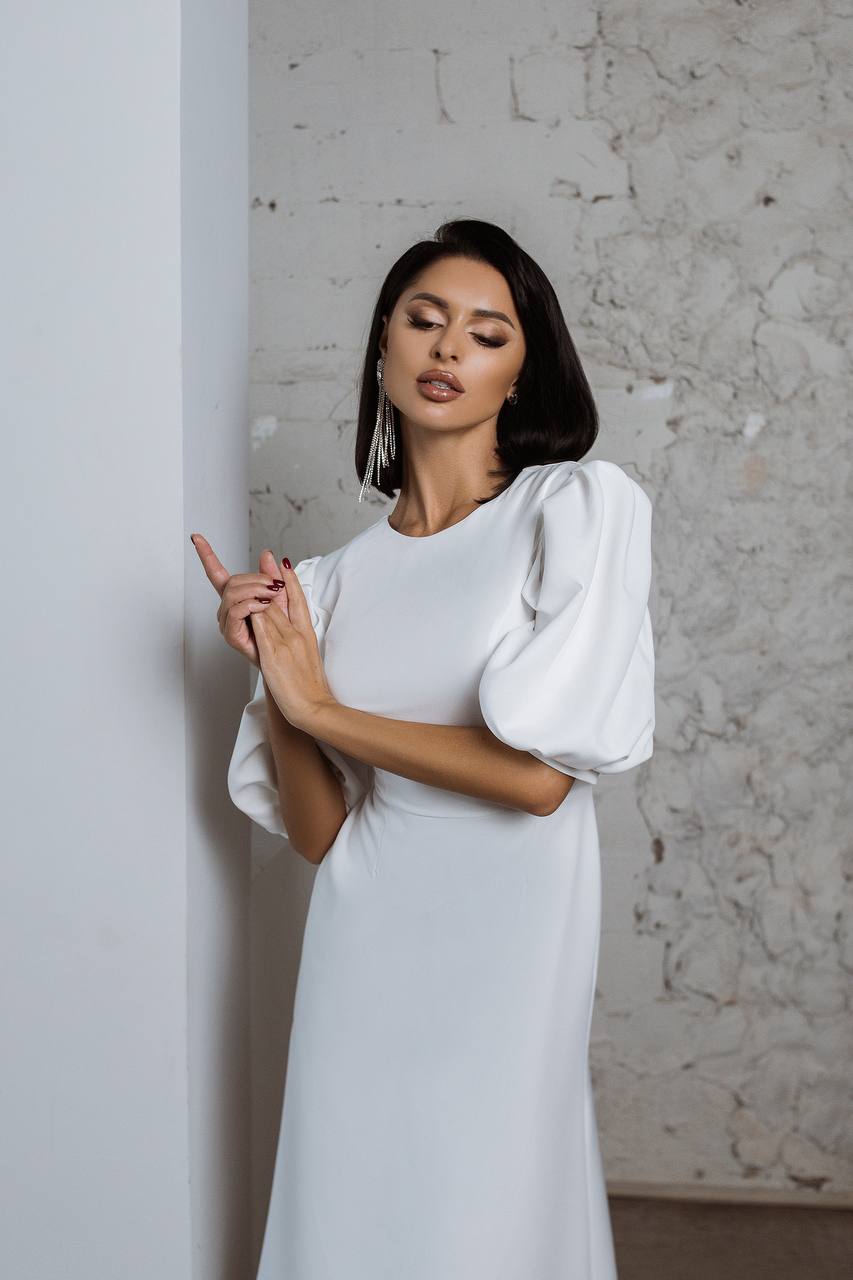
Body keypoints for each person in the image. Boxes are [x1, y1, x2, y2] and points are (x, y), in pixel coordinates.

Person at [192, 218, 655, 1279]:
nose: (448, 350)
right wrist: (274, 666)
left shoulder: (572, 509)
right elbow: (319, 833)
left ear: (519, 374)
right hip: (365, 930)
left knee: (485, 1212)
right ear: (383, 345)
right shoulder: (331, 580)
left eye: (486, 333)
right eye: (424, 320)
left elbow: (538, 780)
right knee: (355, 1207)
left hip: (507, 938)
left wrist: (321, 709)